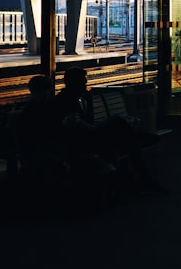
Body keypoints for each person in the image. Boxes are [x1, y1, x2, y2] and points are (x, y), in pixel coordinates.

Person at [50, 67, 166, 195]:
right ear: (74, 84)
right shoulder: (65, 100)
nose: (85, 85)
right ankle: (143, 174)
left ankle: (141, 176)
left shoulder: (77, 97)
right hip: (80, 142)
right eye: (82, 82)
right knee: (119, 124)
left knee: (128, 140)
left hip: (89, 138)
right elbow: (80, 126)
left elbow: (88, 122)